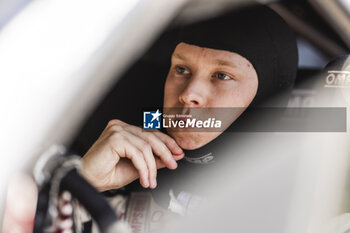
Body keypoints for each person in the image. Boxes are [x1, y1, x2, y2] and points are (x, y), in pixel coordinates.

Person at [80, 4, 298, 194]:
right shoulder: (121, 125)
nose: (188, 94)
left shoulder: (301, 182)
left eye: (222, 76)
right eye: (182, 69)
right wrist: (85, 183)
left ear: (266, 96)